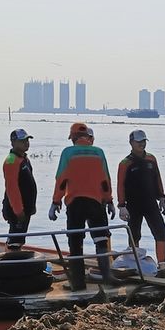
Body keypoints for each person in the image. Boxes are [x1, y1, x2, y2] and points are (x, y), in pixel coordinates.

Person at [49, 122, 115, 290]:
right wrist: (109, 201)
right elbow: (105, 180)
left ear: (74, 138)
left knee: (76, 243)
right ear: (87, 137)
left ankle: (78, 284)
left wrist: (55, 202)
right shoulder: (99, 153)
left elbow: (61, 180)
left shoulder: (68, 153)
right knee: (101, 240)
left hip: (75, 203)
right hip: (96, 203)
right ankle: (107, 278)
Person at [116, 129, 165, 275]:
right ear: (131, 143)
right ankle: (134, 263)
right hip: (133, 205)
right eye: (139, 142)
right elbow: (120, 185)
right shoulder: (125, 163)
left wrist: (162, 198)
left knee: (161, 231)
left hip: (150, 203)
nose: (142, 144)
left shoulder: (151, 159)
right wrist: (121, 206)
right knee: (134, 234)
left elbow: (157, 179)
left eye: (144, 141)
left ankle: (162, 264)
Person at [2, 128, 38, 250]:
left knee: (20, 239)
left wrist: (31, 207)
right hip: (17, 210)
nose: (26, 143)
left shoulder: (24, 159)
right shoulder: (11, 160)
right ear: (13, 143)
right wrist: (18, 211)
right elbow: (11, 188)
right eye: (22, 141)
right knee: (15, 241)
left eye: (27, 140)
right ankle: (10, 262)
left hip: (25, 207)